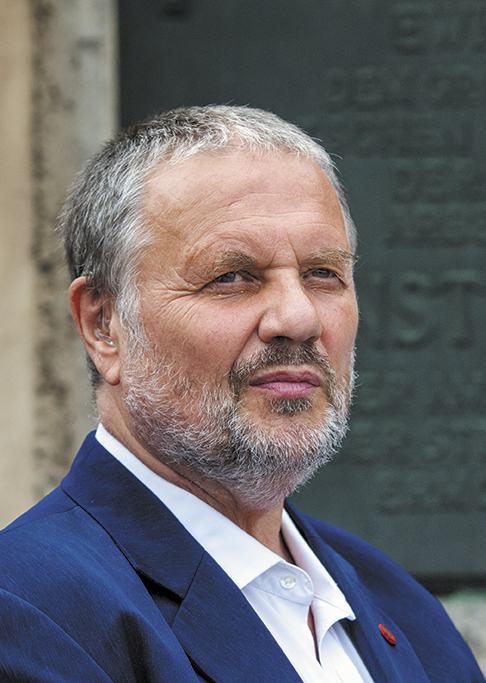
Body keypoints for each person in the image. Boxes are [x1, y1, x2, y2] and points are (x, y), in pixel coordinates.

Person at [0, 106, 483, 683]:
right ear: (103, 326)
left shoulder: (402, 607)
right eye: (231, 277)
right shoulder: (26, 610)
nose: (299, 319)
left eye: (323, 274)